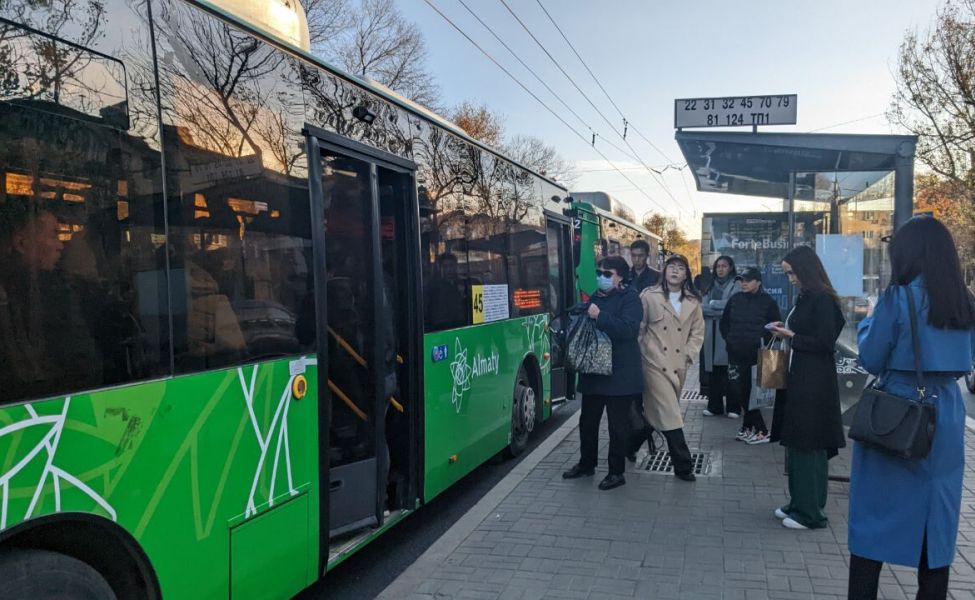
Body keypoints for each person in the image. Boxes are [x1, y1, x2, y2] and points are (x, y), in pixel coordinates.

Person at [848, 217, 975, 600]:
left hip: (899, 409)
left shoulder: (897, 299)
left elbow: (870, 357)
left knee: (874, 517)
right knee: (936, 520)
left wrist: (870, 321)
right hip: (946, 413)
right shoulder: (965, 302)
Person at [767, 245, 845, 530]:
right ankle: (799, 502)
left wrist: (791, 335)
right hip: (800, 378)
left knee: (810, 443)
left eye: (792, 273)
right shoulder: (808, 296)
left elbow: (825, 342)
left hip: (814, 382)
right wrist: (786, 331)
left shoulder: (822, 299)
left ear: (805, 270)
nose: (790, 279)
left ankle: (811, 512)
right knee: (798, 441)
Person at [0, 205, 103, 402]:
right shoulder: (53, 291)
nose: (60, 246)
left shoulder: (27, 289)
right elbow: (81, 362)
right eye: (54, 235)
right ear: (21, 243)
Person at [563, 255, 643, 491]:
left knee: (618, 426)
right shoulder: (595, 297)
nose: (601, 277)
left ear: (620, 277)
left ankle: (616, 472)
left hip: (620, 374)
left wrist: (600, 316)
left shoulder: (631, 298)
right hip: (594, 372)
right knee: (587, 422)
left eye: (607, 274)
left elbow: (628, 330)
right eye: (599, 273)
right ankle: (586, 464)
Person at [638, 254, 705, 482]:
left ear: (686, 274)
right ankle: (683, 465)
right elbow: (640, 327)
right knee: (671, 413)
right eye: (671, 267)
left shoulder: (694, 302)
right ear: (664, 272)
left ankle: (629, 443)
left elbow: (697, 333)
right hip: (653, 362)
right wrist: (641, 354)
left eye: (680, 268)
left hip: (678, 365)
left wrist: (688, 355)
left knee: (658, 413)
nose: (675, 271)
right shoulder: (649, 296)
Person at [719, 267, 781, 444]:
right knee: (740, 392)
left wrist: (761, 341)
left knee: (753, 394)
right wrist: (730, 340)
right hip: (736, 353)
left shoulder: (768, 301)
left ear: (758, 282)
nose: (744, 283)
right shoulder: (735, 299)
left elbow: (775, 326)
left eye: (748, 280)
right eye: (741, 280)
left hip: (758, 355)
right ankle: (748, 427)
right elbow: (724, 324)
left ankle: (760, 429)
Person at [624, 239, 660, 460]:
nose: (636, 259)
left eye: (640, 255)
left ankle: (643, 430)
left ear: (647, 256)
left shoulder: (655, 277)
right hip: (629, 340)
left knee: (652, 396)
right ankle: (634, 438)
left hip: (649, 340)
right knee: (631, 396)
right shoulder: (624, 275)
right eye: (633, 255)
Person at [702, 256, 739, 417]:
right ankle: (714, 406)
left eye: (724, 266)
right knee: (714, 372)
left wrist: (713, 305)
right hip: (711, 333)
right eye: (718, 266)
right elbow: (702, 308)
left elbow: (734, 306)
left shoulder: (736, 284)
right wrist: (720, 309)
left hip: (728, 333)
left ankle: (733, 407)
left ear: (731, 267)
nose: (720, 269)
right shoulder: (709, 285)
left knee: (730, 371)